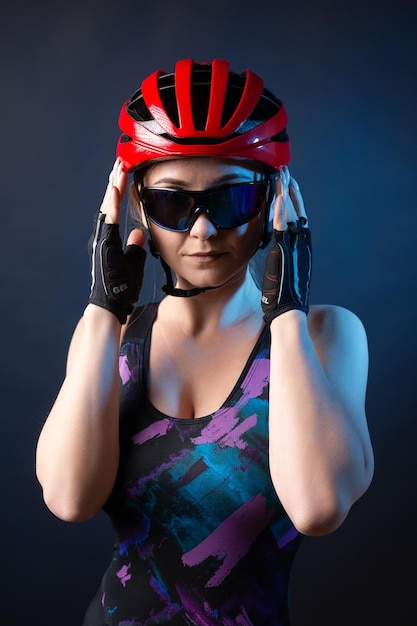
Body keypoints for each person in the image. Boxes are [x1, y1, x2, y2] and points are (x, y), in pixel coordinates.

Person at [36, 58, 374, 625]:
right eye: (173, 202)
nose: (202, 230)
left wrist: (286, 311)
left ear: (273, 201)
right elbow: (70, 498)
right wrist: (102, 309)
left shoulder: (325, 335)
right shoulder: (109, 339)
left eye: (230, 200)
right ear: (138, 205)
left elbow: (318, 507)